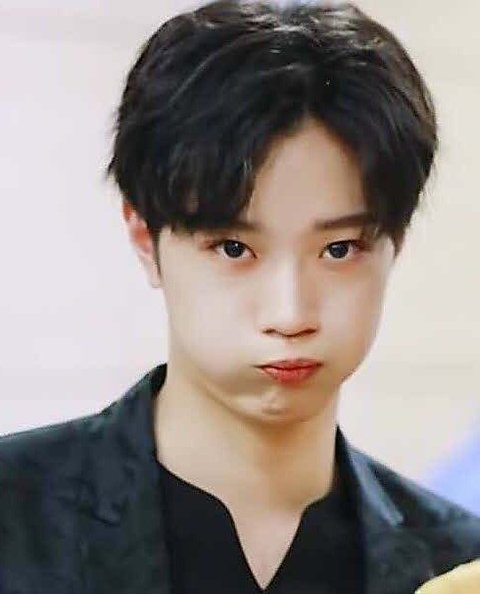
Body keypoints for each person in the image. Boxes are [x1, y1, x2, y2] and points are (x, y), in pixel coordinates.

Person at [0, 1, 479, 592]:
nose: (290, 314)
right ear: (145, 237)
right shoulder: (16, 517)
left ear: (394, 244)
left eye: (339, 249)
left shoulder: (456, 567)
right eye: (234, 249)